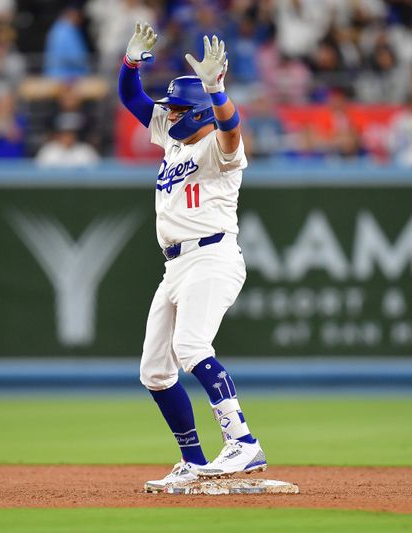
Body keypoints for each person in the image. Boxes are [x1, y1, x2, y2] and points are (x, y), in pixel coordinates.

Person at [118, 22, 265, 491]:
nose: (170, 113)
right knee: (155, 371)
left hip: (213, 256)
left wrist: (217, 90)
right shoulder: (174, 135)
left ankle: (242, 441)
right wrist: (131, 62)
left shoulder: (218, 148)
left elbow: (231, 127)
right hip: (176, 264)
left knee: (192, 348)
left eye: (180, 108)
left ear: (198, 112)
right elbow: (132, 99)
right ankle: (193, 461)